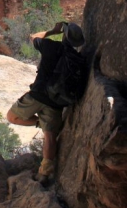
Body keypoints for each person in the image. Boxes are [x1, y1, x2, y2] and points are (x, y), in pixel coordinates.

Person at [6, 21, 86, 184]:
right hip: (56, 104)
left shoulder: (50, 46)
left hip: (37, 95)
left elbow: (33, 37)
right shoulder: (79, 60)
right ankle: (44, 173)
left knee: (12, 117)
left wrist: (53, 30)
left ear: (64, 35)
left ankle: (38, 123)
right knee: (50, 136)